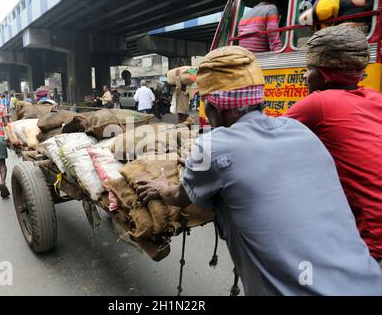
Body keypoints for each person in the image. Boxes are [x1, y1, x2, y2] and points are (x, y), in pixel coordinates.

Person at [134, 46, 382, 295]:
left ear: (217, 109)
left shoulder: (213, 145)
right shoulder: (301, 131)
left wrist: (161, 188)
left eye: (207, 106)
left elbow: (179, 196)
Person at [284, 25, 382, 266]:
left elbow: (262, 139)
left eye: (309, 69)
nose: (306, 76)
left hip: (373, 238)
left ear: (325, 73)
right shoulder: (375, 98)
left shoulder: (318, 104)